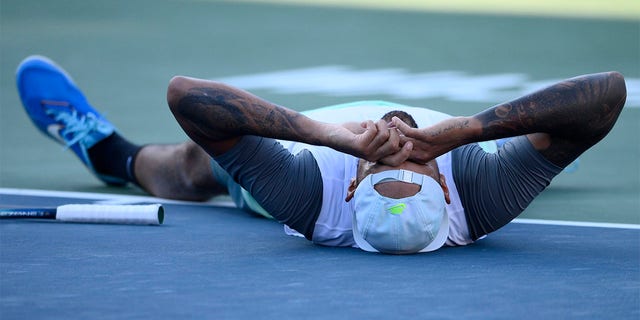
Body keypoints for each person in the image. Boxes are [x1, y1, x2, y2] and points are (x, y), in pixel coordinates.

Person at [15, 55, 627, 254]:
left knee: (200, 165)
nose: (395, 147)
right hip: (478, 160)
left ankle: (109, 156)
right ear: (443, 188)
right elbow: (607, 93)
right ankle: (543, 156)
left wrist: (333, 139)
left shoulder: (316, 198)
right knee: (550, 136)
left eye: (381, 164)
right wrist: (460, 132)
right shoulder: (476, 194)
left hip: (305, 156)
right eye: (412, 163)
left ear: (354, 187)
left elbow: (187, 98)